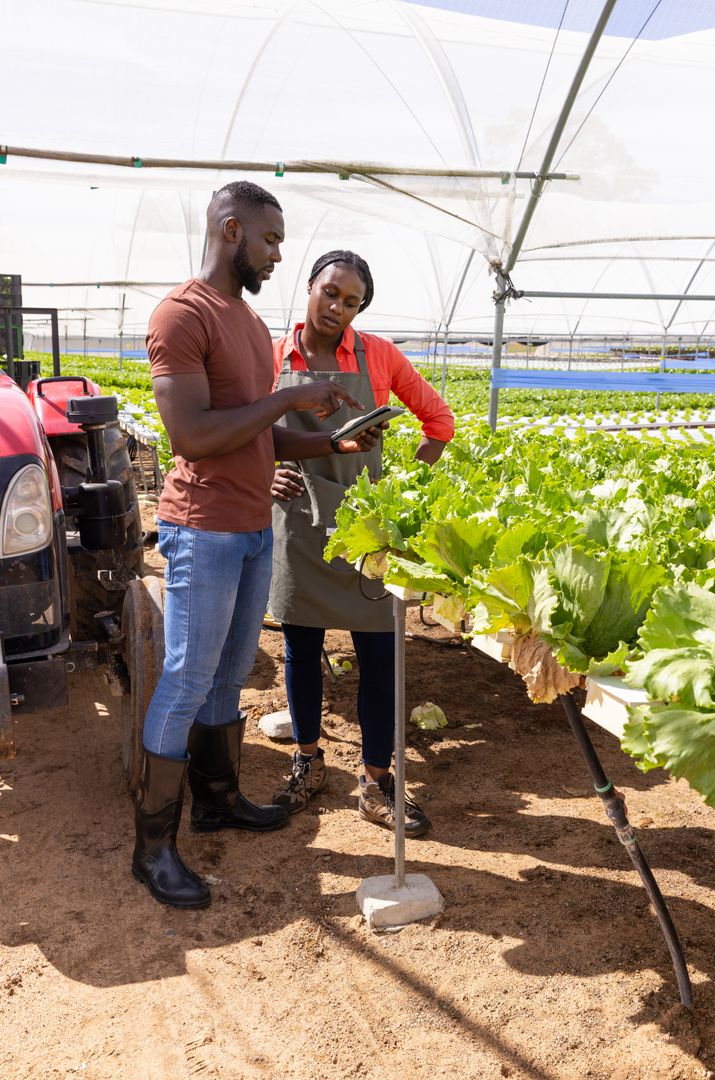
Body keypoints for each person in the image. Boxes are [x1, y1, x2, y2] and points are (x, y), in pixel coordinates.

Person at [136, 187, 383, 909]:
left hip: (249, 527)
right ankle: (151, 850)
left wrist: (333, 438)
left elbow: (262, 435)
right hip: (204, 525)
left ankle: (217, 800)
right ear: (231, 229)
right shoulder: (182, 314)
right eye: (271, 241)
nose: (279, 255)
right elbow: (195, 436)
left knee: (227, 677)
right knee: (186, 677)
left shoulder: (246, 320)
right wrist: (288, 397)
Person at [270, 250, 454, 836]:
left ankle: (376, 781)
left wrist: (409, 484)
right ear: (310, 288)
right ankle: (307, 761)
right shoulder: (272, 356)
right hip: (296, 523)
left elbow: (439, 421)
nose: (338, 308)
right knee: (301, 650)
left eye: (352, 302)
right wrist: (260, 471)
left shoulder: (379, 355)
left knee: (379, 656)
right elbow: (242, 429)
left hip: (367, 527)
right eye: (331, 293)